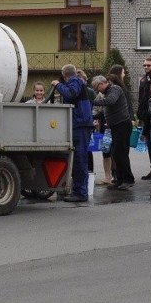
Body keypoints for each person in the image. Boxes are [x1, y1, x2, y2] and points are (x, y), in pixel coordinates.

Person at [51, 64, 93, 203]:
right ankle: (79, 191)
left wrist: (57, 85)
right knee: (79, 160)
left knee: (80, 160)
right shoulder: (79, 82)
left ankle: (80, 193)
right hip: (82, 124)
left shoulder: (74, 81)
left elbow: (71, 94)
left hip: (80, 124)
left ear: (64, 76)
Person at [92, 74, 135, 190]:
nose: (97, 91)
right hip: (115, 126)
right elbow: (105, 112)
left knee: (121, 153)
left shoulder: (115, 89)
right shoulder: (107, 93)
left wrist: (92, 102)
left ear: (102, 84)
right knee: (116, 153)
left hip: (122, 125)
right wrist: (93, 117)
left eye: (97, 88)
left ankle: (128, 179)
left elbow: (110, 101)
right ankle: (119, 179)